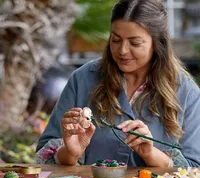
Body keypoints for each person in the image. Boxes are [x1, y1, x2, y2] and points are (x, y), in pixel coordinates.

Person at [36, 0, 200, 167]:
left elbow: (195, 170)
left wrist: (151, 154)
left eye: (135, 43)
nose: (122, 50)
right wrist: (70, 152)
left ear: (158, 44)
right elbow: (43, 155)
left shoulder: (186, 92)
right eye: (116, 40)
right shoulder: (82, 79)